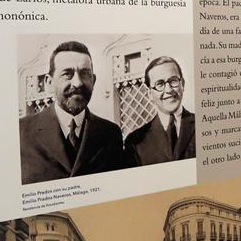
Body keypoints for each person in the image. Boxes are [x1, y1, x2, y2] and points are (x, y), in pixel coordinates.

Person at [19, 41, 130, 184]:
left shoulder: (110, 134)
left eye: (85, 74)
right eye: (67, 74)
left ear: (94, 80)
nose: (78, 83)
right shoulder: (22, 133)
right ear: (49, 82)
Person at [124, 56, 196, 165]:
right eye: (160, 84)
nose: (168, 90)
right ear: (150, 94)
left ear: (183, 84)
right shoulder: (135, 142)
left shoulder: (205, 124)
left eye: (173, 81)